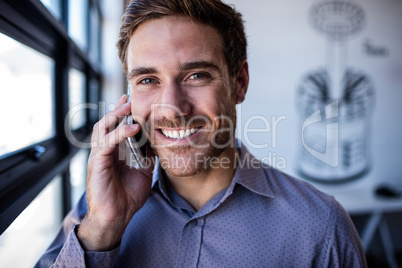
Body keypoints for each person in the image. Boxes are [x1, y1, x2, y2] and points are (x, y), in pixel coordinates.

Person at [36, 0, 367, 267]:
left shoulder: (321, 227)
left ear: (239, 83)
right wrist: (102, 230)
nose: (171, 107)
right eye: (148, 80)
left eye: (196, 75)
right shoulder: (98, 207)